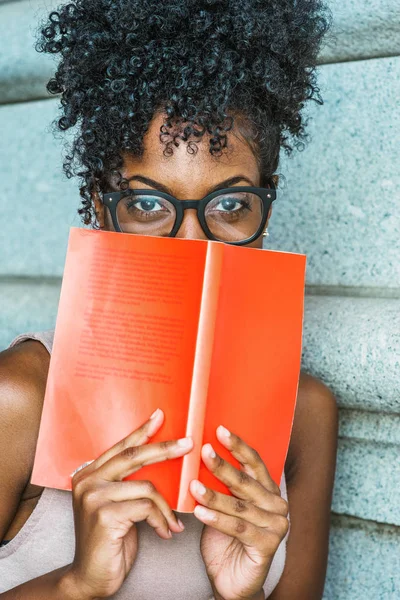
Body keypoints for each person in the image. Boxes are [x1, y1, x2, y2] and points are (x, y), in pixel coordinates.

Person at [0, 0, 338, 598]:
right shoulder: (20, 397)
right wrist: (77, 585)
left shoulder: (304, 415)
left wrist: (246, 592)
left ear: (267, 201)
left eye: (231, 205)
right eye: (149, 204)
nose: (193, 244)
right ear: (100, 207)